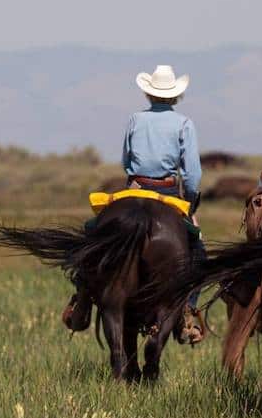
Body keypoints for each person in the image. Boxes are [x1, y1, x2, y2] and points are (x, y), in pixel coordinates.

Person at [62, 64, 208, 344]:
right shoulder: (184, 124)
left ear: (149, 94)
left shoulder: (135, 120)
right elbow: (192, 174)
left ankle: (82, 299)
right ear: (175, 95)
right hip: (167, 192)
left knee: (91, 237)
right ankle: (188, 312)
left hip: (134, 187)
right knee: (199, 252)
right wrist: (189, 201)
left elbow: (126, 161)